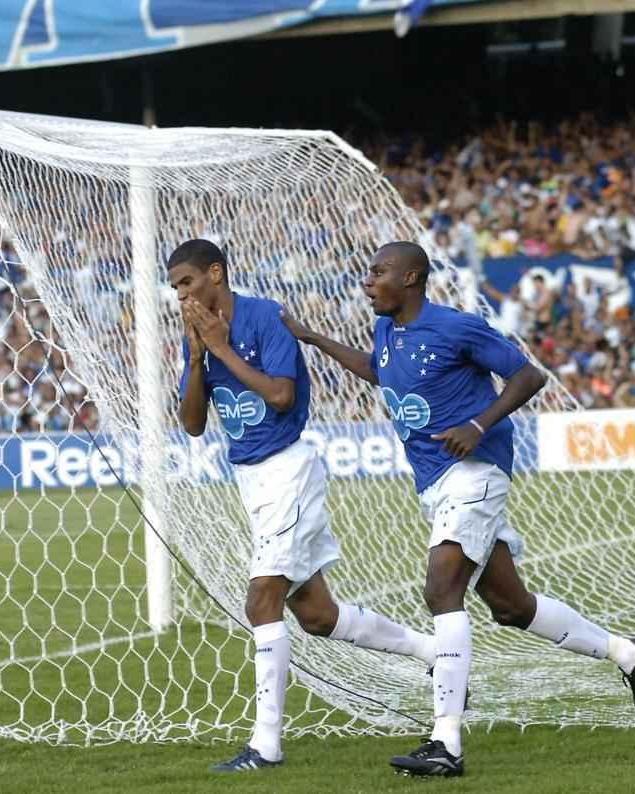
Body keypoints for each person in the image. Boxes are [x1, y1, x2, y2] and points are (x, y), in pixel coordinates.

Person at [281, 241, 635, 779]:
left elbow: (529, 376)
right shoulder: (387, 329)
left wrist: (479, 424)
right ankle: (628, 653)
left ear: (411, 278)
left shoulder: (456, 327)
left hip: (475, 471)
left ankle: (446, 741)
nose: (367, 281)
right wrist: (314, 338)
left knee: (441, 589)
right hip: (436, 483)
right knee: (510, 605)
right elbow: (378, 370)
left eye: (378, 272)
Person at [169, 239, 438, 773]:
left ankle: (265, 746)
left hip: (288, 470)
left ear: (216, 274)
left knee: (260, 601)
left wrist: (222, 349)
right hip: (251, 480)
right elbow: (193, 424)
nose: (181, 295)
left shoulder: (264, 319)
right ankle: (432, 653)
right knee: (317, 616)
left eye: (187, 282)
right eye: (175, 287)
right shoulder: (196, 337)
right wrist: (199, 359)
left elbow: (282, 396)